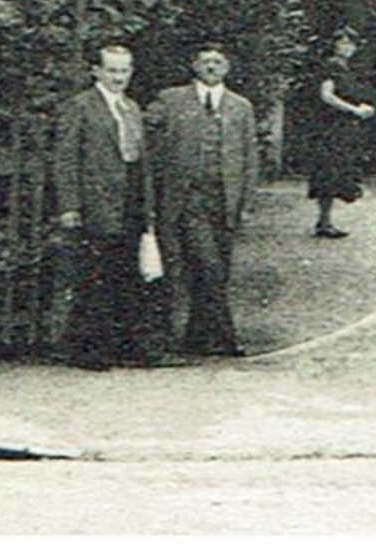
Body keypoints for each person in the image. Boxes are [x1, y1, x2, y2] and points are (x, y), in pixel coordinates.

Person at [145, 46, 258, 357]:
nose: (211, 67)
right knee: (205, 264)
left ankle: (198, 337)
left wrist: (245, 202)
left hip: (224, 198)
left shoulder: (240, 106)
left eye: (218, 62)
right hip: (186, 197)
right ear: (193, 65)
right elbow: (149, 139)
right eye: (205, 61)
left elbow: (249, 157)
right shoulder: (171, 99)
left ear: (228, 68)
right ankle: (225, 336)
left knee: (216, 266)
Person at [53, 44, 153, 369]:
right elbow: (66, 157)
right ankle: (87, 349)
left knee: (125, 273)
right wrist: (69, 205)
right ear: (96, 71)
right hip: (96, 201)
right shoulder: (80, 106)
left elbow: (138, 159)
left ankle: (122, 345)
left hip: (130, 202)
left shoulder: (131, 107)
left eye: (124, 70)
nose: (118, 77)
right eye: (112, 70)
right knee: (95, 275)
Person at [310, 27, 375, 237]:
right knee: (329, 171)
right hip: (331, 127)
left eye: (351, 44)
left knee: (336, 170)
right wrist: (354, 110)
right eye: (342, 43)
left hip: (343, 126)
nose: (347, 48)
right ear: (334, 45)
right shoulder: (331, 67)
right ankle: (324, 222)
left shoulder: (346, 69)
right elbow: (327, 96)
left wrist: (362, 105)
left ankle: (324, 221)